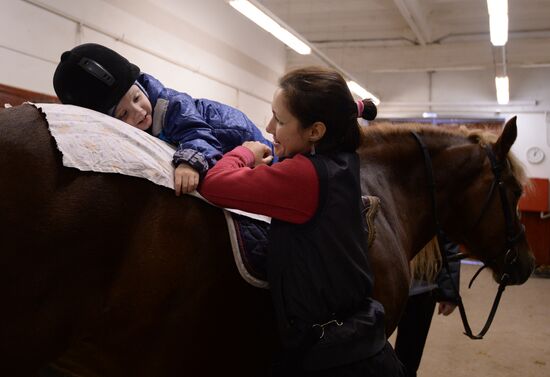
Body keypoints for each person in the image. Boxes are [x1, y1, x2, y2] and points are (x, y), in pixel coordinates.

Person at [199, 66, 404, 377]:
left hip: (335, 360)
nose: (268, 127)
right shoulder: (340, 161)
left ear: (316, 131)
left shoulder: (304, 176)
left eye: (280, 120)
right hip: (358, 345)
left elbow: (214, 184)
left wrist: (242, 153)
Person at [52, 43, 275, 195]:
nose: (138, 111)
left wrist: (190, 162)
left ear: (141, 86)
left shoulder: (172, 105)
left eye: (137, 98)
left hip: (243, 142)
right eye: (123, 114)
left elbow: (197, 133)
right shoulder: (143, 114)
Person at [394, 240, 461, 377]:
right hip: (385, 282)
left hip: (422, 287)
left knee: (408, 360)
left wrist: (448, 292)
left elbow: (448, 237)